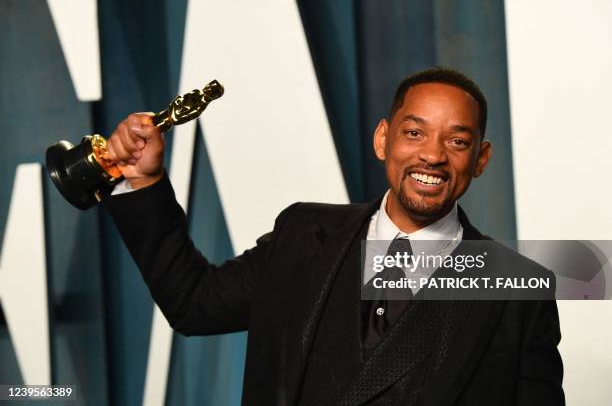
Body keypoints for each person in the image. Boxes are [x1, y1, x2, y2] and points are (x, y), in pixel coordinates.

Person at [103, 67, 564, 405]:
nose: (433, 156)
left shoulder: (517, 289)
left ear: (481, 159)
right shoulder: (303, 234)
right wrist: (144, 184)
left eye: (457, 142)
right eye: (414, 132)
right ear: (383, 139)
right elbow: (193, 303)